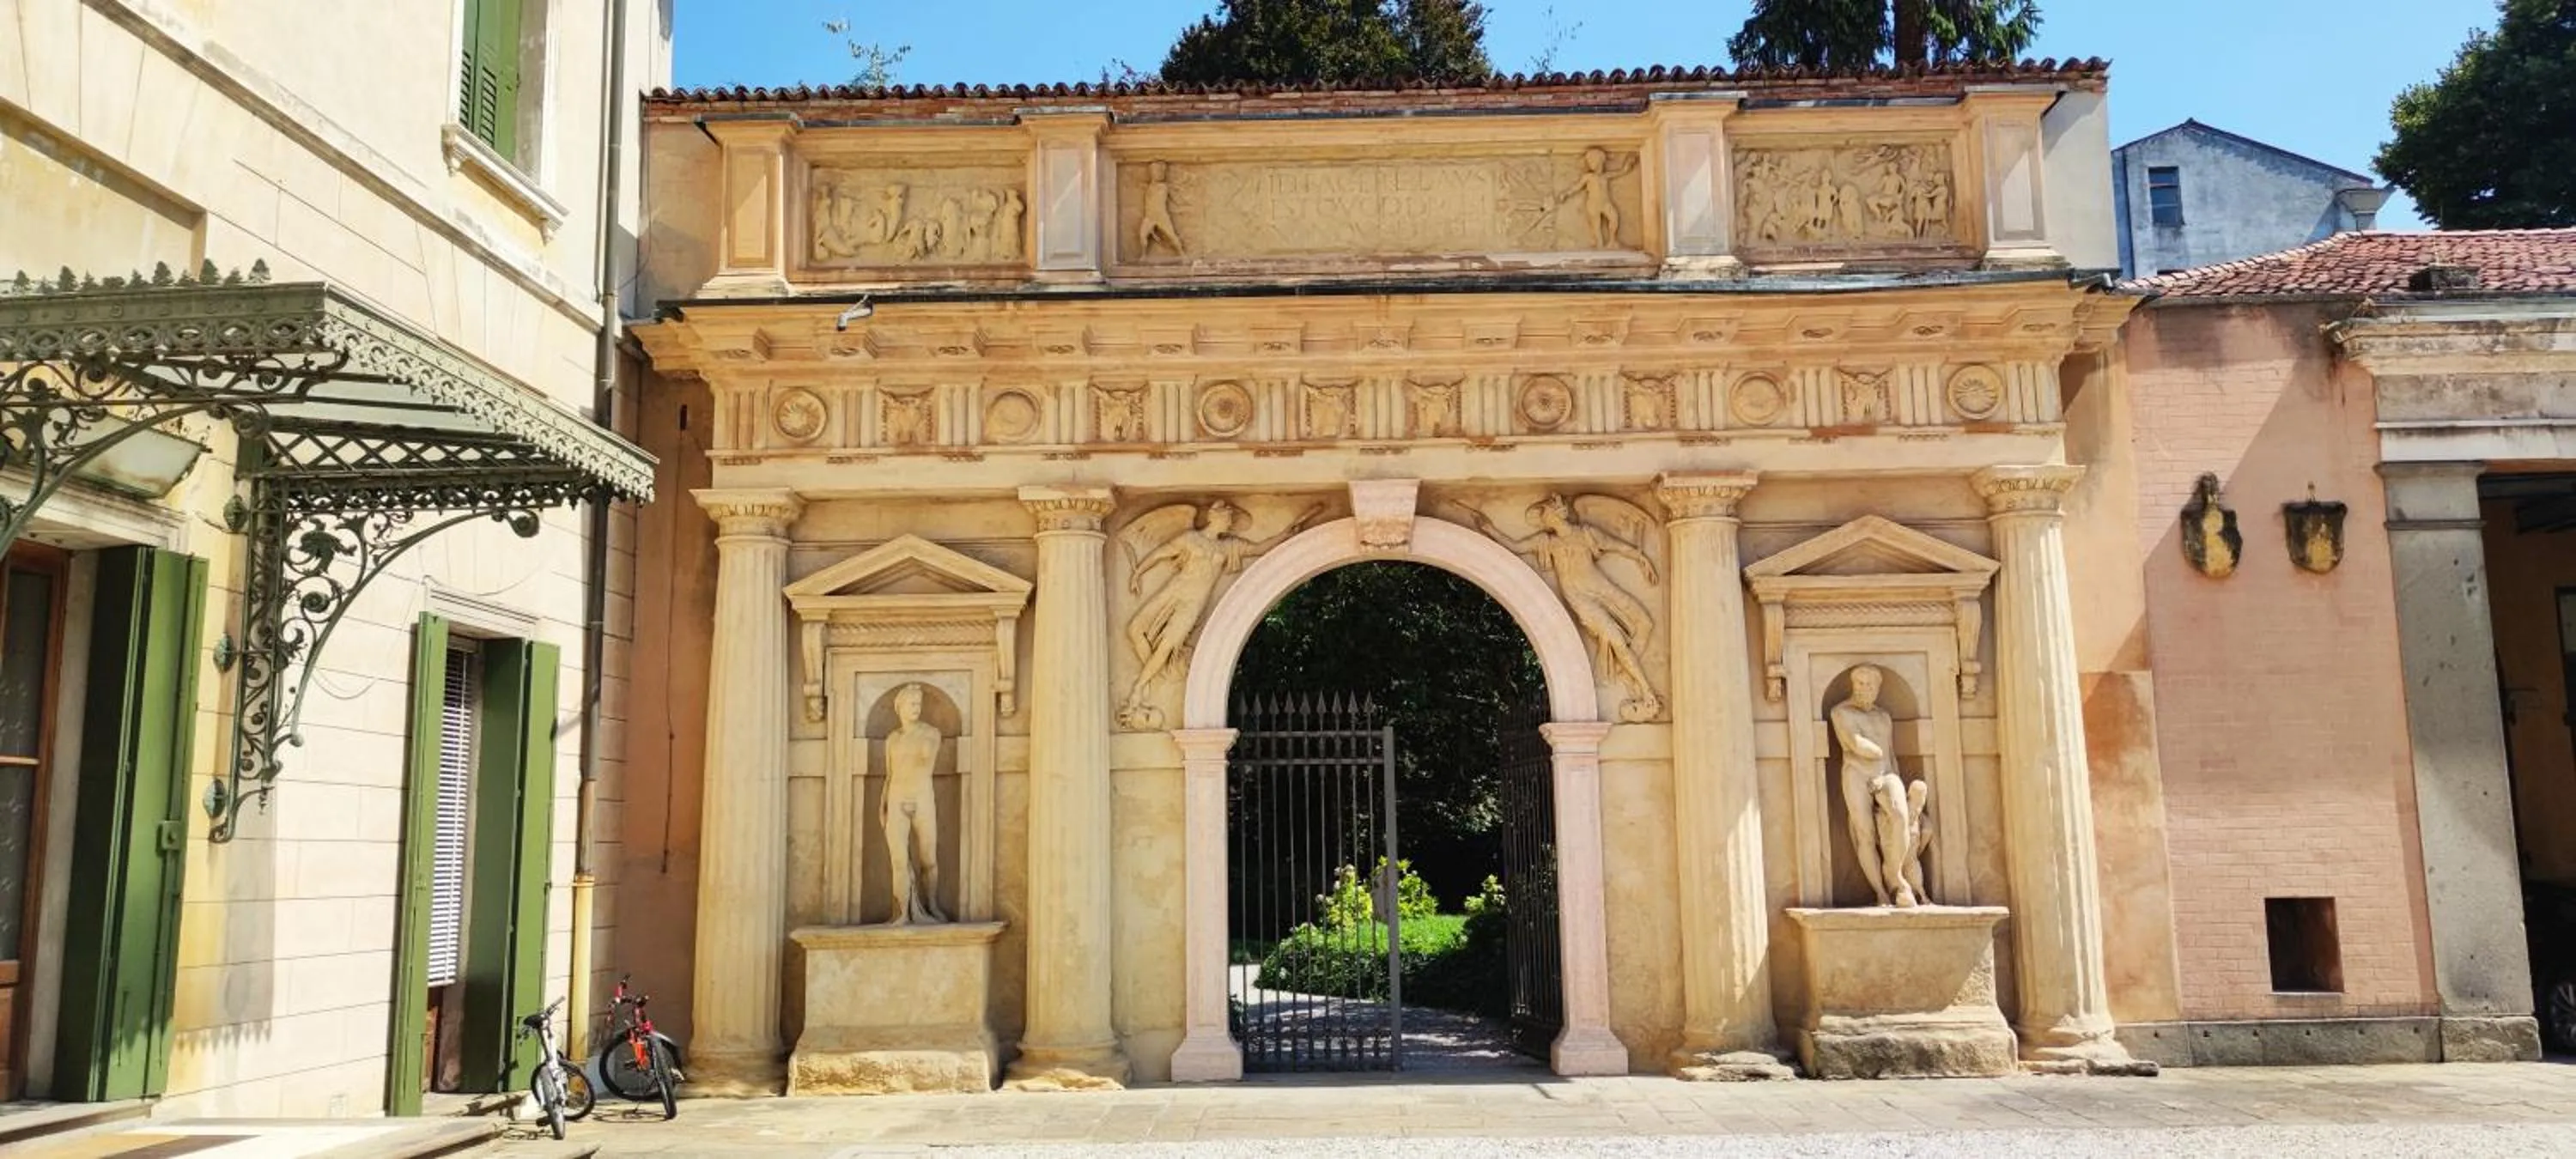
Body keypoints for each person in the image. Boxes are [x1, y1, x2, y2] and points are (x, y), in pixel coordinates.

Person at [881, 683, 948, 924]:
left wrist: (924, 747)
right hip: (896, 798)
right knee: (898, 860)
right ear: (899, 707)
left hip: (922, 798)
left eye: (919, 704)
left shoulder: (931, 733)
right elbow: (889, 775)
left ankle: (932, 905)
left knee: (928, 859)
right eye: (911, 704)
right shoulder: (892, 739)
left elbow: (927, 756)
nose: (916, 708)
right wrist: (883, 804)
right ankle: (901, 911)